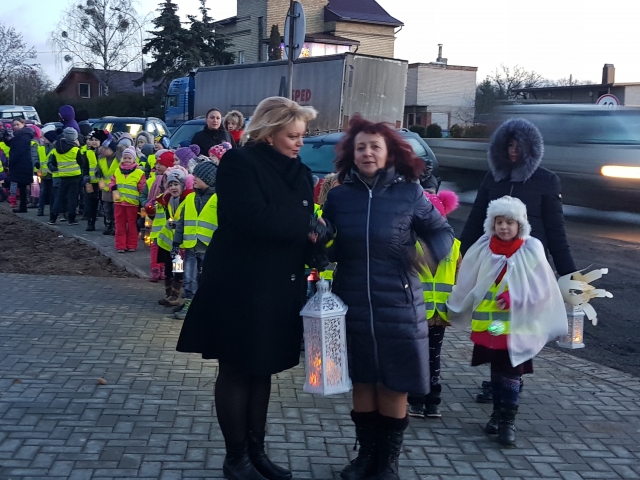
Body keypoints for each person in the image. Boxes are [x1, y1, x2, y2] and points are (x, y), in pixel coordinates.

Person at [177, 96, 324, 480]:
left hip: (280, 284)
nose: (299, 143)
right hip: (240, 284)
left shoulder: (301, 171)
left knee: (263, 370)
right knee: (237, 369)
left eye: (302, 136)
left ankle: (257, 452)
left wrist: (319, 240)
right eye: (292, 135)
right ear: (270, 132)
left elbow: (301, 220)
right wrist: (303, 228)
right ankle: (235, 457)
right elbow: (250, 218)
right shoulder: (241, 163)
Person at [320, 116, 455, 480]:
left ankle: (387, 463)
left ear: (389, 152)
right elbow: (329, 249)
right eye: (360, 147)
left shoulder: (410, 193)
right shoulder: (339, 196)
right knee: (362, 383)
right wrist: (318, 237)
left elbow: (442, 231)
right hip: (352, 304)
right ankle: (365, 456)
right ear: (352, 153)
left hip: (398, 304)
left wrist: (429, 253)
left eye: (374, 147)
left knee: (394, 385)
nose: (367, 153)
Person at [459, 118, 576, 403]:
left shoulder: (546, 181)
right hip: (494, 269)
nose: (513, 151)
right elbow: (476, 220)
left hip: (528, 271)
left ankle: (512, 380)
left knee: (519, 328)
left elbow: (556, 230)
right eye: (508, 145)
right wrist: (459, 254)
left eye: (519, 145)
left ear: (530, 148)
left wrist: (570, 276)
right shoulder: (493, 178)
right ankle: (499, 380)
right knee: (496, 328)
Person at [447, 196, 567, 447]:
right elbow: (469, 277)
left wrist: (514, 297)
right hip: (492, 325)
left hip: (518, 324)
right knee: (498, 366)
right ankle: (497, 413)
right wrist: (457, 303)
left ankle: (507, 420)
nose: (503, 227)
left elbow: (542, 286)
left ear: (520, 224)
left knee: (511, 369)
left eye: (509, 222)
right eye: (498, 222)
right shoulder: (484, 247)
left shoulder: (531, 249)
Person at [407, 190, 461, 420]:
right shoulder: (455, 245)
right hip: (440, 312)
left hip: (418, 311)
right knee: (433, 356)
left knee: (417, 356)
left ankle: (419, 399)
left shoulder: (410, 245)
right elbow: (460, 277)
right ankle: (432, 401)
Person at [172, 160, 218, 320]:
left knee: (207, 280)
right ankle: (190, 305)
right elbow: (181, 223)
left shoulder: (219, 200)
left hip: (210, 249)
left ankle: (205, 308)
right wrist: (176, 243)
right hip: (191, 247)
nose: (194, 179)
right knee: (189, 279)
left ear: (209, 179)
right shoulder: (190, 198)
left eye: (198, 176)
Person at [156, 166, 192, 307]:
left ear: (182, 185)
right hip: (167, 243)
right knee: (168, 268)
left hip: (179, 245)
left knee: (178, 269)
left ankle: (175, 296)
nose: (173, 187)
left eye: (176, 184)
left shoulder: (188, 201)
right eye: (170, 185)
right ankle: (168, 294)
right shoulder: (165, 200)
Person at [142, 150, 175, 282]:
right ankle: (156, 269)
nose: (157, 166)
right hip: (156, 224)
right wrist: (148, 205)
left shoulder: (173, 189)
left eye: (161, 163)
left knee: (167, 250)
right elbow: (145, 197)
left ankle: (167, 271)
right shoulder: (154, 182)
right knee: (156, 248)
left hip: (170, 228)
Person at [109, 147, 145, 253]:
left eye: (129, 158)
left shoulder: (139, 173)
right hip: (119, 203)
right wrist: (113, 188)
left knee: (132, 225)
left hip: (132, 203)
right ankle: (120, 245)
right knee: (119, 224)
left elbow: (142, 188)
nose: (127, 160)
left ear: (134, 159)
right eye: (125, 158)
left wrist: (142, 202)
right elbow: (112, 182)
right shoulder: (117, 171)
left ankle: (131, 245)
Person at [47, 128, 86, 226]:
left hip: (63, 176)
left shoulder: (56, 150)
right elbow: (81, 162)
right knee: (72, 198)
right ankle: (71, 219)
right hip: (75, 176)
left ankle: (52, 218)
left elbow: (54, 163)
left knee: (59, 197)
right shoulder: (75, 150)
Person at [7, 118, 35, 213]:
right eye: (13, 125)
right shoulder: (22, 135)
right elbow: (12, 144)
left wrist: (12, 161)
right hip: (22, 164)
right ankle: (23, 205)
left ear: (23, 123)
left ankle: (23, 206)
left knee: (22, 185)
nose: (15, 127)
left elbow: (18, 151)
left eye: (17, 124)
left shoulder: (23, 136)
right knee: (21, 185)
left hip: (21, 164)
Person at [96, 140, 119, 235]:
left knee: (115, 209)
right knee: (107, 209)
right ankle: (108, 226)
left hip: (117, 188)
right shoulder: (100, 158)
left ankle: (115, 227)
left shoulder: (119, 159)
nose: (103, 150)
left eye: (106, 148)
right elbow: (97, 172)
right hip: (105, 188)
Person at [37, 129, 58, 216]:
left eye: (45, 138)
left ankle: (52, 211)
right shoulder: (42, 147)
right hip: (44, 174)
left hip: (52, 174)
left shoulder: (55, 149)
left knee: (52, 194)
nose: (43, 140)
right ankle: (40, 209)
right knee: (43, 193)